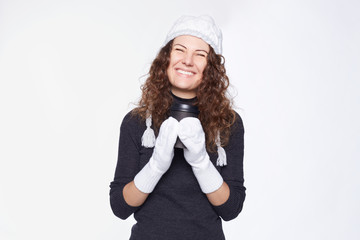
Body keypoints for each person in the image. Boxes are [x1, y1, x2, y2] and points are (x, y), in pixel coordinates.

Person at [109, 15, 246, 240]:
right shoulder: (137, 122)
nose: (187, 60)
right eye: (180, 50)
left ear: (211, 66)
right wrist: (155, 167)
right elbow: (120, 207)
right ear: (166, 57)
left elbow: (231, 209)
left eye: (200, 54)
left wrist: (202, 164)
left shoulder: (228, 124)